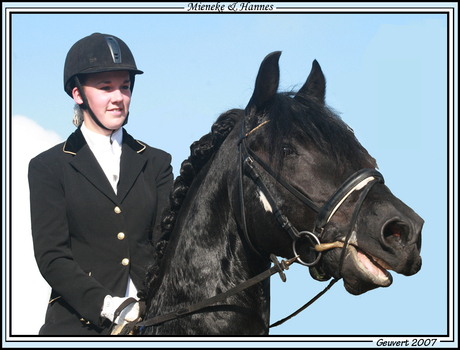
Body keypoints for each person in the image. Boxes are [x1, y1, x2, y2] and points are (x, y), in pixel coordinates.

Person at [28, 33, 173, 335]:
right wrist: (107, 305)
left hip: (153, 322)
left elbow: (166, 244)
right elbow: (52, 257)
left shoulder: (157, 162)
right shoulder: (48, 167)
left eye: (125, 87)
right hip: (80, 325)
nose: (118, 97)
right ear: (78, 94)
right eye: (106, 88)